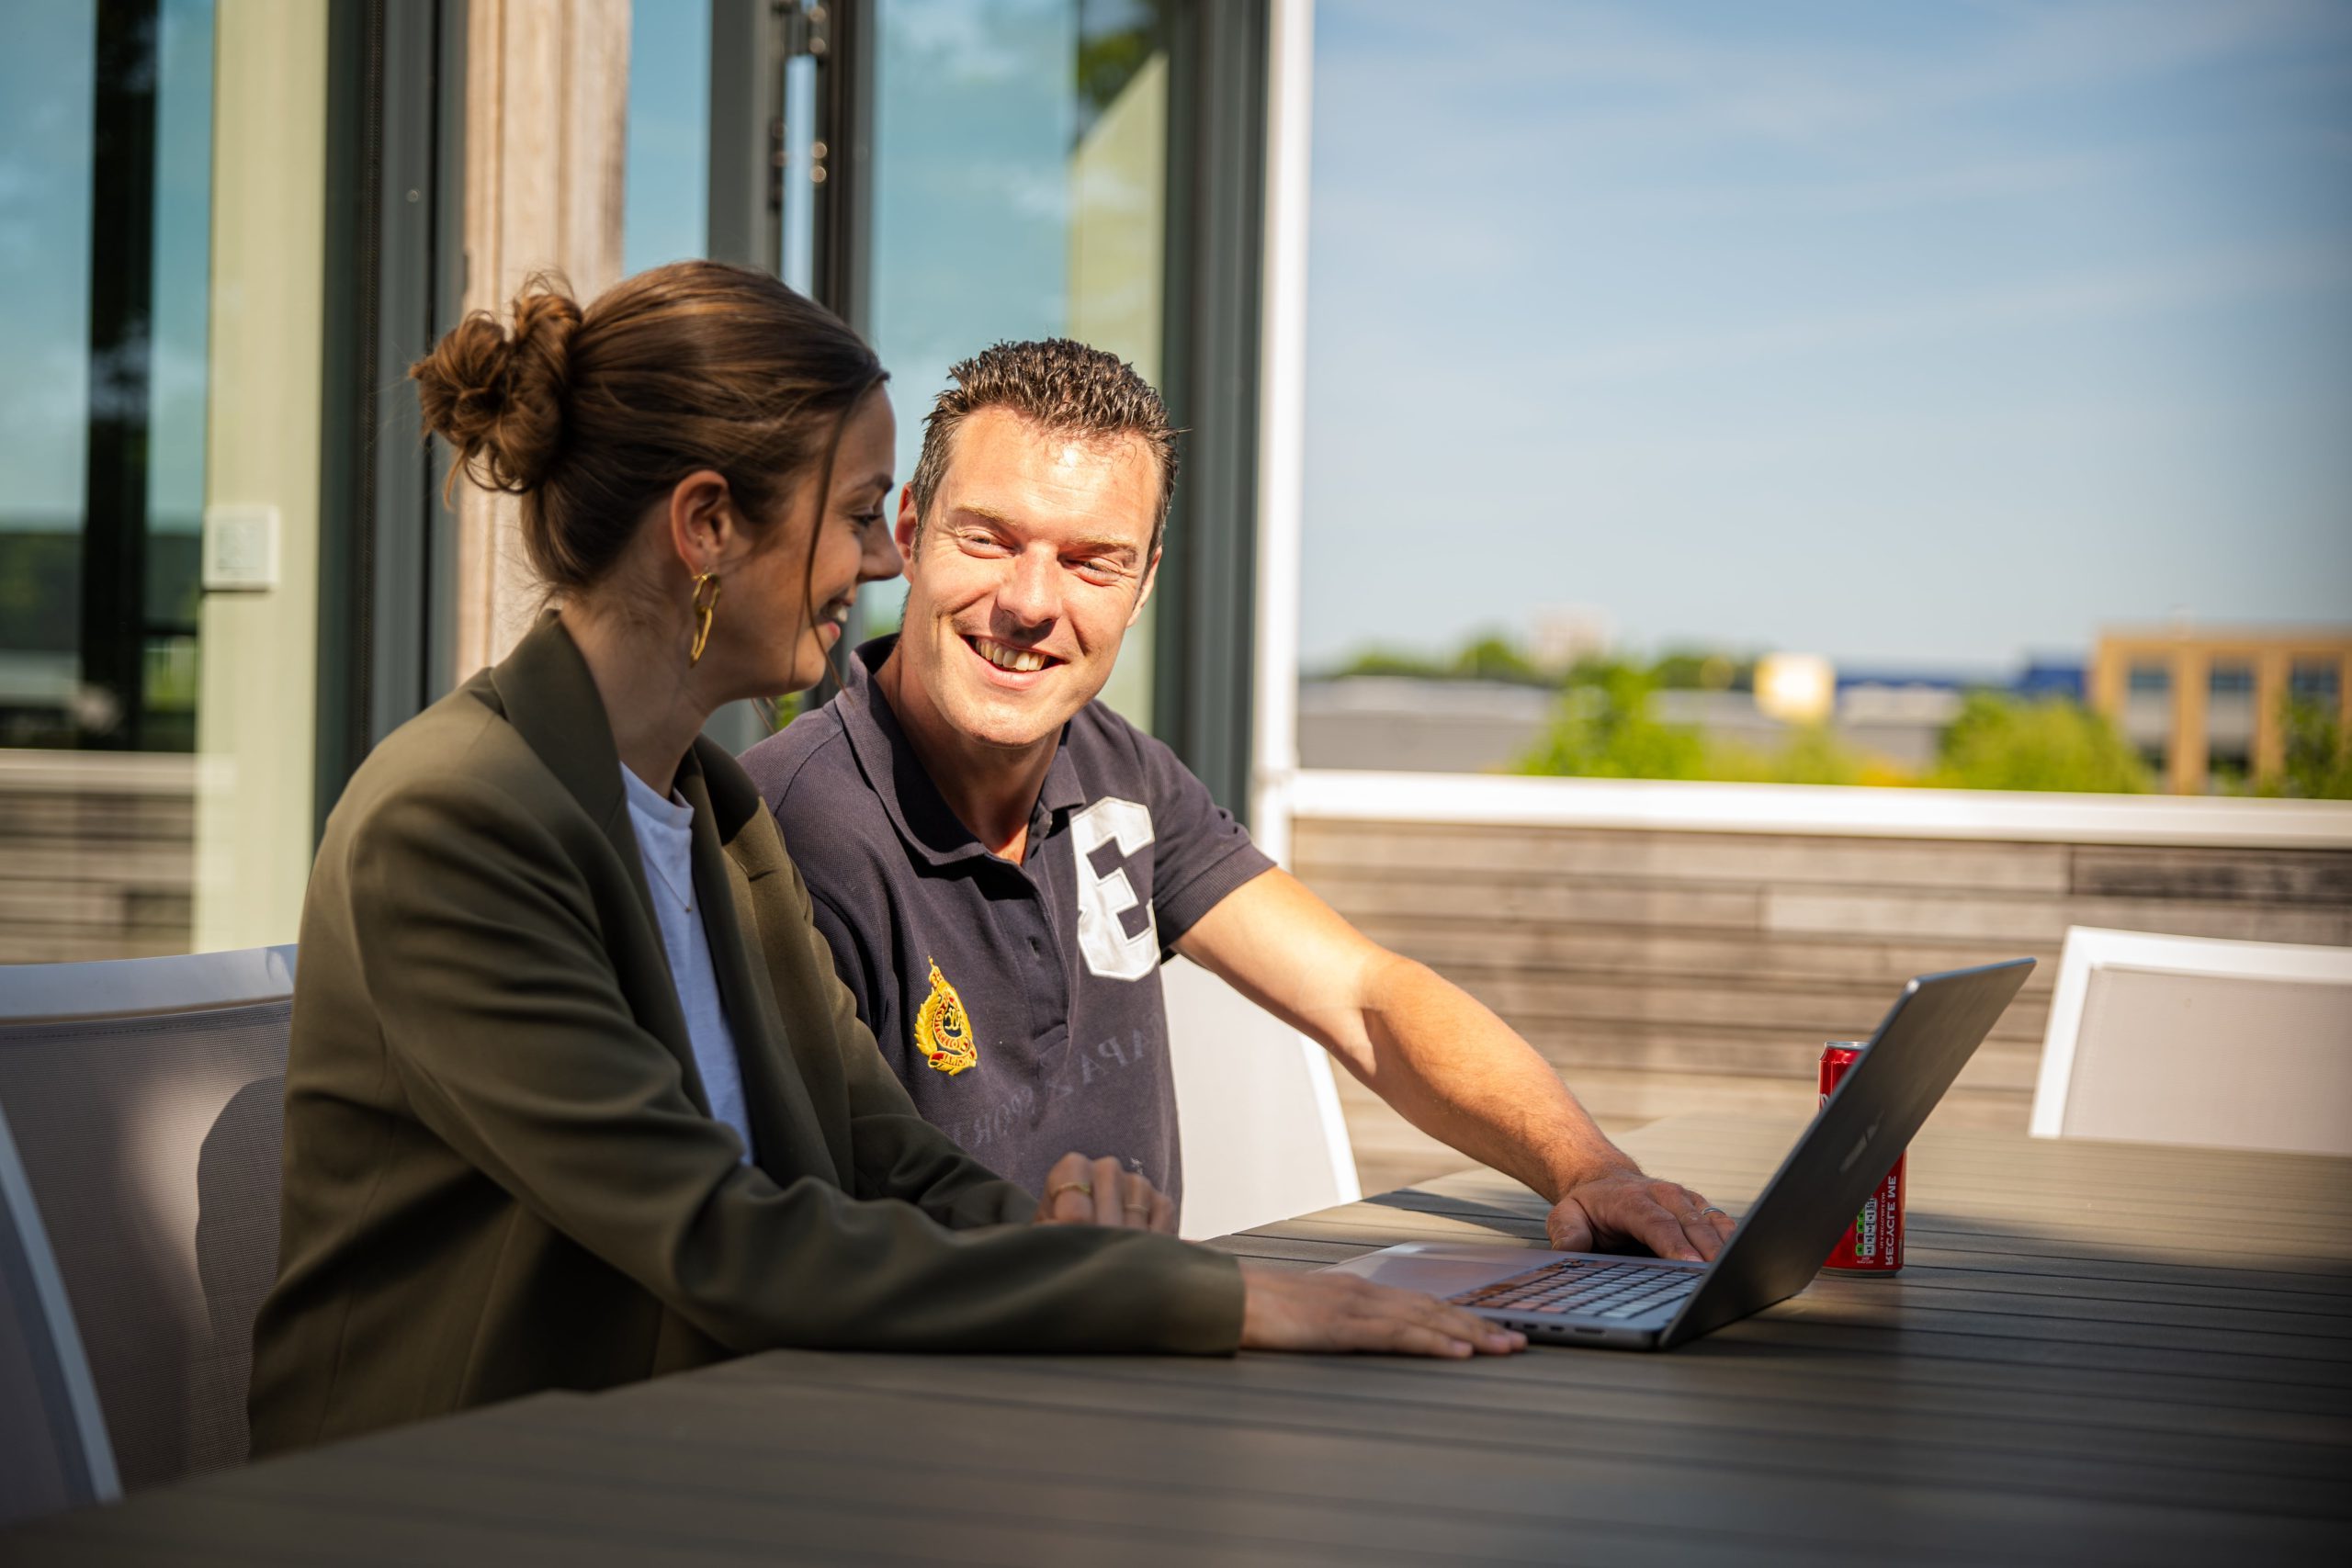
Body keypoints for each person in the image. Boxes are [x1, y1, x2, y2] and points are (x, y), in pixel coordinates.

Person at [248, 266, 1523, 1456]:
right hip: (460, 1494)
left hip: (706, 1459)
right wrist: (1189, 1291)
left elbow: (883, 1154)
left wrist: (1066, 1246)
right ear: (705, 526)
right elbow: (716, 1235)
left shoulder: (711, 814)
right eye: (860, 513)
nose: (875, 559)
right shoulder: (461, 821)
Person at [741, 340, 1736, 1259]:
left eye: (1093, 561)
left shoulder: (1118, 775)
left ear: (1143, 585)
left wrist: (1593, 1172)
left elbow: (1367, 999)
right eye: (991, 539)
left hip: (1140, 1361)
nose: (1033, 602)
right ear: (910, 532)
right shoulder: (786, 831)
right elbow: (788, 1238)